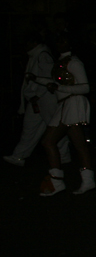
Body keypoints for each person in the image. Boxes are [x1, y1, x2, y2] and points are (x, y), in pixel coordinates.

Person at [39, 32, 95, 196]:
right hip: (64, 105)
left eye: (64, 41)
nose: (60, 44)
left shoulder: (75, 62)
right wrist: (37, 79)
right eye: (58, 41)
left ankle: (57, 181)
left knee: (50, 141)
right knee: (78, 144)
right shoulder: (61, 62)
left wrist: (60, 88)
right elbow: (55, 84)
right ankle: (83, 181)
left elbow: (85, 88)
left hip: (73, 103)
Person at [4, 32, 71, 167]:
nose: (25, 46)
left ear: (34, 43)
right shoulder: (37, 55)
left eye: (27, 43)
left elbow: (47, 78)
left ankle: (64, 155)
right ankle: (19, 156)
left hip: (45, 99)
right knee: (30, 128)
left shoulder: (42, 56)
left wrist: (38, 95)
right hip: (38, 99)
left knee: (54, 128)